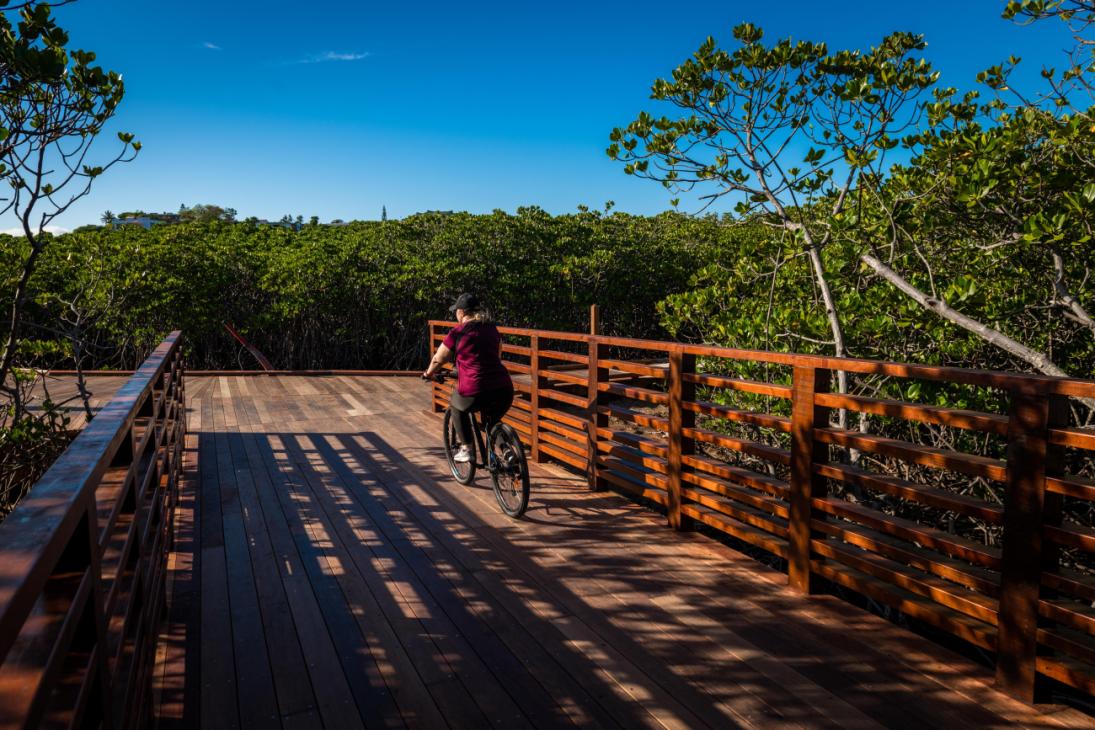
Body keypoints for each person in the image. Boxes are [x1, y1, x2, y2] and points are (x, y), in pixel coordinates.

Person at [422, 293, 514, 462]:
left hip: (476, 388)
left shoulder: (458, 332)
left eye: (456, 311)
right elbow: (495, 355)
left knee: (456, 406)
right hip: (504, 387)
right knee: (492, 421)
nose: (455, 314)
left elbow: (438, 359)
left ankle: (466, 448)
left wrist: (428, 373)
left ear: (462, 313)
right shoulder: (492, 328)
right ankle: (507, 451)